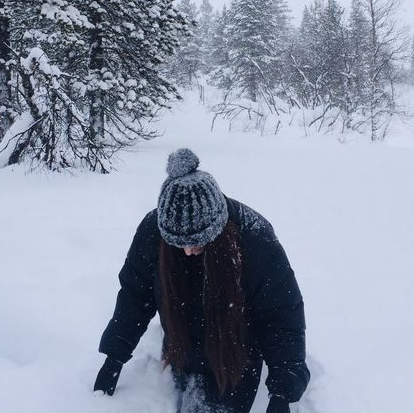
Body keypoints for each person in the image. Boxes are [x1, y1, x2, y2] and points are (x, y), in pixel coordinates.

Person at [93, 148, 310, 413]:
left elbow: (281, 315)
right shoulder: (153, 231)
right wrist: (115, 355)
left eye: (197, 241)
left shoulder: (255, 239)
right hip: (181, 348)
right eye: (178, 243)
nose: (187, 251)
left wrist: (282, 393)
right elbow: (135, 295)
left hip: (235, 356)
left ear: (218, 227)